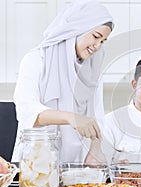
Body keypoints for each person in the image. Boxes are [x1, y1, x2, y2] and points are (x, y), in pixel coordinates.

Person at [12, 0, 114, 163]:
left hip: (76, 167)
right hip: (35, 163)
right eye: (96, 36)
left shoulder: (93, 68)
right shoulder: (36, 60)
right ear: (77, 29)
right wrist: (72, 118)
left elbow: (97, 115)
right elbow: (27, 111)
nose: (97, 46)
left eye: (102, 41)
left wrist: (95, 148)